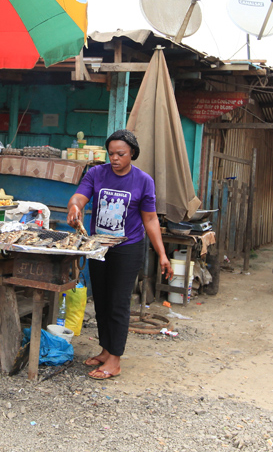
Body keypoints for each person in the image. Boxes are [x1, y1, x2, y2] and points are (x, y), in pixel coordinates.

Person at [67, 129, 172, 380]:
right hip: (99, 246)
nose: (114, 158)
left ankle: (115, 359)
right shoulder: (96, 173)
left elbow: (150, 219)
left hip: (128, 248)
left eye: (121, 154)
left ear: (132, 153)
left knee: (118, 302)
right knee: (102, 300)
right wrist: (74, 207)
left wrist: (162, 254)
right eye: (111, 153)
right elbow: (79, 197)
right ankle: (106, 350)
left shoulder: (143, 181)